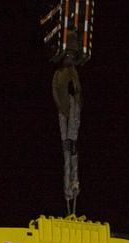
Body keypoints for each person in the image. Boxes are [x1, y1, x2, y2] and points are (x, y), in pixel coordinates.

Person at [51, 52, 82, 214]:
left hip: (72, 115)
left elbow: (77, 94)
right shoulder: (59, 75)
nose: (69, 60)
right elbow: (57, 92)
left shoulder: (73, 74)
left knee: (71, 152)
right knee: (67, 155)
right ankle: (69, 192)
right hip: (65, 112)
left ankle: (73, 188)